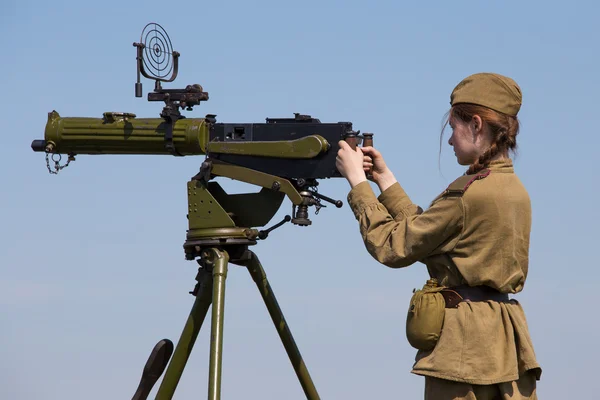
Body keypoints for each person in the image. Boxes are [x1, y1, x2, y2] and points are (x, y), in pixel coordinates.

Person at [336, 72, 541, 400]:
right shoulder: (513, 190)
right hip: (504, 343)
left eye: (454, 129)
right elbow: (433, 236)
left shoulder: (469, 194)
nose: (449, 140)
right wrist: (384, 180)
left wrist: (358, 184)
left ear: (476, 125)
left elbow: (394, 247)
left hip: (464, 350)